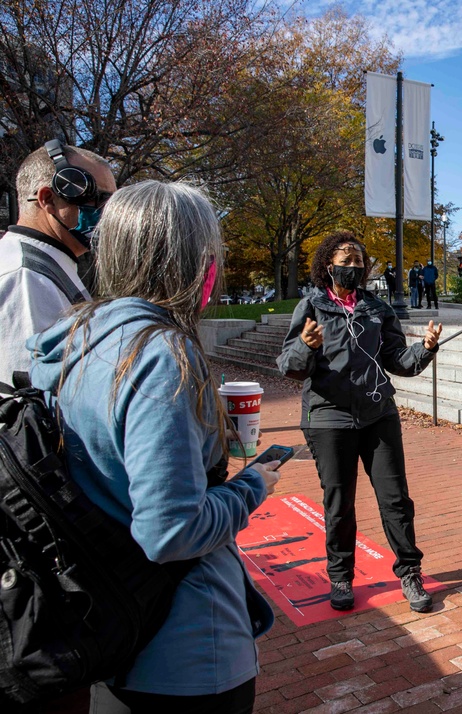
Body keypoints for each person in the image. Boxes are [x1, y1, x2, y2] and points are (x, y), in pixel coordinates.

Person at [27, 181, 278, 712]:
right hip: (186, 647)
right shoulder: (161, 355)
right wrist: (254, 485)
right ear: (195, 262)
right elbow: (172, 530)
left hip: (109, 621)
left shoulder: (76, 334)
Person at [277, 232, 442, 613]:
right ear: (327, 265)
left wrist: (426, 348)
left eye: (358, 262)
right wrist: (306, 344)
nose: (352, 267)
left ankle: (410, 571)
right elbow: (289, 366)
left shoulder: (376, 307)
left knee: (395, 499)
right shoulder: (312, 305)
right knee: (339, 504)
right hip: (328, 419)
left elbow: (399, 359)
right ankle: (340, 576)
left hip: (377, 413)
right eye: (345, 260)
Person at [0, 140, 116, 390]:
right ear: (48, 199)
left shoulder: (47, 263)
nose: (108, 214)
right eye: (98, 199)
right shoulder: (26, 277)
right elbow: (27, 401)